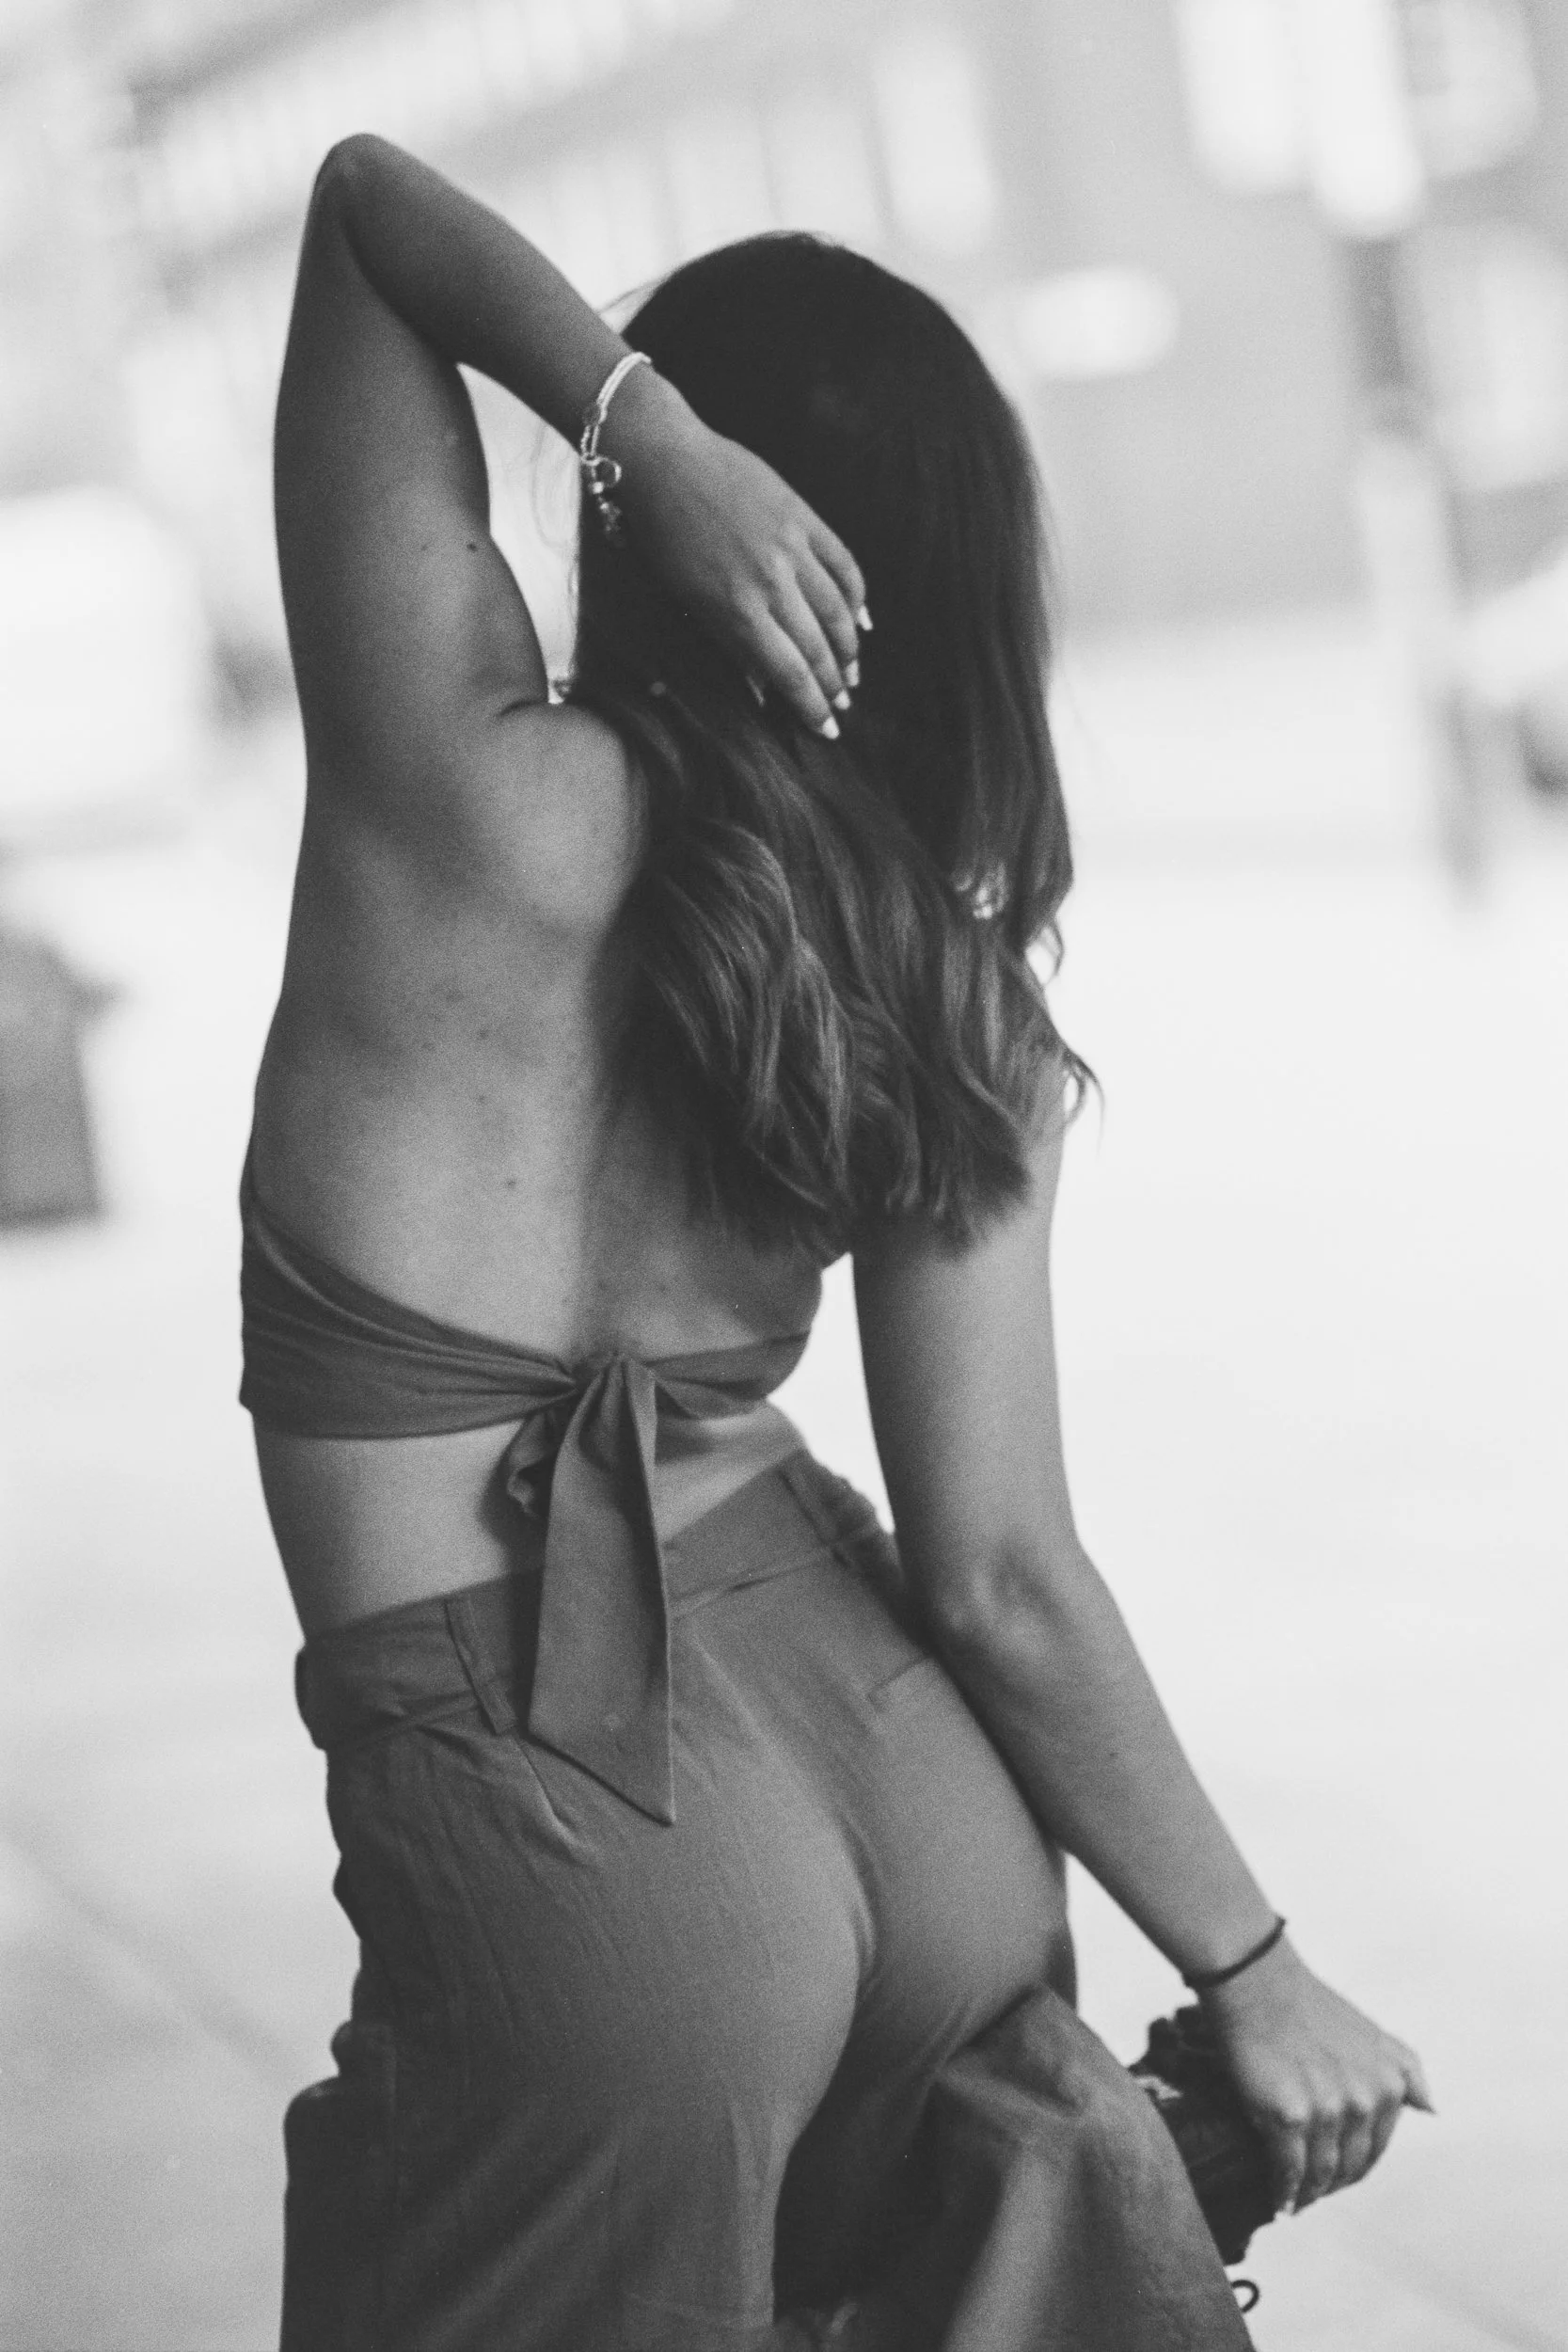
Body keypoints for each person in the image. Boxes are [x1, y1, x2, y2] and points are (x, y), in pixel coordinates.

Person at [242, 135, 1431, 2351]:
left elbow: (365, 213)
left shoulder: (462, 796)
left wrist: (637, 426)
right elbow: (1003, 1572)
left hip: (592, 1845)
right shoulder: (941, 988)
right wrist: (1252, 1967)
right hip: (905, 1770)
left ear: (677, 517)